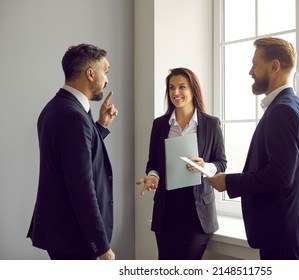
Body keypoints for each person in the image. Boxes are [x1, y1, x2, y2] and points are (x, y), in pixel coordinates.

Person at [208, 37, 299, 260]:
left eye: (255, 64)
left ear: (274, 66)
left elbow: (280, 175)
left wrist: (228, 182)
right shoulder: (292, 105)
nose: (251, 71)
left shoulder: (283, 110)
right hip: (284, 230)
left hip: (281, 233)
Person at [27, 43, 119, 260]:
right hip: (75, 237)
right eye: (105, 72)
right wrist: (101, 246)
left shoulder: (57, 107)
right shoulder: (73, 117)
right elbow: (81, 187)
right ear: (90, 73)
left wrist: (100, 127)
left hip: (64, 233)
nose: (106, 80)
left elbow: (71, 158)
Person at [136, 67, 227, 260]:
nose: (175, 93)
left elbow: (221, 163)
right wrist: (153, 176)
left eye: (181, 87)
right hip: (167, 210)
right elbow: (153, 162)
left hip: (197, 213)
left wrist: (204, 166)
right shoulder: (160, 125)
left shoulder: (211, 124)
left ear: (193, 90)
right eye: (171, 88)